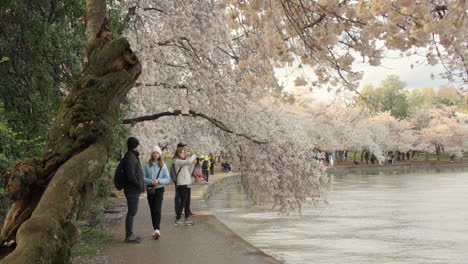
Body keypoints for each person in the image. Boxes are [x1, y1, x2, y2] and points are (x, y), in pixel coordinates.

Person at [143, 145, 170, 240]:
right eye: (154, 153)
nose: (155, 154)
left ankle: (157, 229)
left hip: (159, 189)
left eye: (157, 153)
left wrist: (158, 181)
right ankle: (155, 228)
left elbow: (167, 179)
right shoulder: (147, 165)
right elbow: (143, 177)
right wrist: (150, 181)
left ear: (160, 154)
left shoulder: (163, 166)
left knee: (157, 209)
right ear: (151, 154)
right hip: (150, 189)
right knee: (152, 209)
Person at [122, 137, 145, 243]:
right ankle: (129, 235)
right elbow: (131, 176)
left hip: (132, 189)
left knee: (132, 211)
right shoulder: (130, 158)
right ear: (135, 146)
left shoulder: (131, 156)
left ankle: (130, 233)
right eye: (138, 145)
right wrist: (138, 185)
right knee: (132, 211)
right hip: (132, 189)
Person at [174, 145, 197, 226]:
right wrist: (194, 155)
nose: (183, 154)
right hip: (181, 183)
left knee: (188, 201)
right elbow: (188, 162)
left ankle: (187, 217)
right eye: (181, 152)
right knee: (183, 200)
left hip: (187, 182)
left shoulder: (185, 161)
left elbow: (190, 171)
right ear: (178, 153)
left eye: (184, 153)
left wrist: (193, 164)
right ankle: (178, 218)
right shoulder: (177, 161)